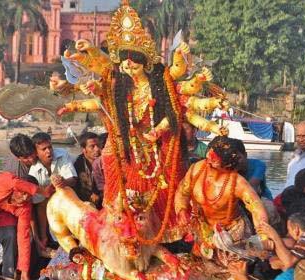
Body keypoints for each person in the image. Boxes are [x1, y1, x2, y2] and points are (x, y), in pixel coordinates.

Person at [55, 1, 229, 243]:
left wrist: (158, 131)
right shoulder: (119, 89)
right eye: (124, 62)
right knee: (123, 198)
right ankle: (125, 238)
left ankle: (166, 239)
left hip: (159, 153)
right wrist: (74, 101)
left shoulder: (162, 84)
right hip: (129, 154)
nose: (127, 66)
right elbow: (99, 98)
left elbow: (175, 111)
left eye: (132, 61)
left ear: (145, 61)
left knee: (163, 198)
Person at [175, 136, 269, 263]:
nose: (208, 165)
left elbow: (257, 209)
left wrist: (262, 238)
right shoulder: (196, 169)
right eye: (207, 160)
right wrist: (181, 210)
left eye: (213, 164)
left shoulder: (237, 183)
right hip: (204, 228)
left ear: (228, 165)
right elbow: (182, 192)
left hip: (231, 232)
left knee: (235, 270)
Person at [29, 132, 77, 253]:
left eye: (50, 147)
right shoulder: (33, 169)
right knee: (42, 201)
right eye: (43, 149)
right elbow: (37, 201)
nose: (48, 151)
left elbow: (74, 179)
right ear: (36, 152)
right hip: (45, 203)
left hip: (65, 197)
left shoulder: (62, 154)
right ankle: (45, 238)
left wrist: (63, 182)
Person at [73, 132, 101, 207]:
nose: (97, 149)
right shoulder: (77, 164)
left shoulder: (105, 162)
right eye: (92, 146)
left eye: (98, 145)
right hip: (83, 205)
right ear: (84, 149)